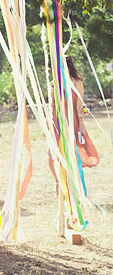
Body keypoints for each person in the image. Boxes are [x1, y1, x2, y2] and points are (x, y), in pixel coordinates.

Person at [48, 56, 99, 191]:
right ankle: (58, 181)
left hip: (71, 119)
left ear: (68, 66)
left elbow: (78, 106)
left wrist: (81, 124)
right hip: (56, 118)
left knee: (72, 151)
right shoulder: (54, 83)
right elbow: (52, 105)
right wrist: (49, 122)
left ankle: (73, 183)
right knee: (51, 153)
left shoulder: (77, 83)